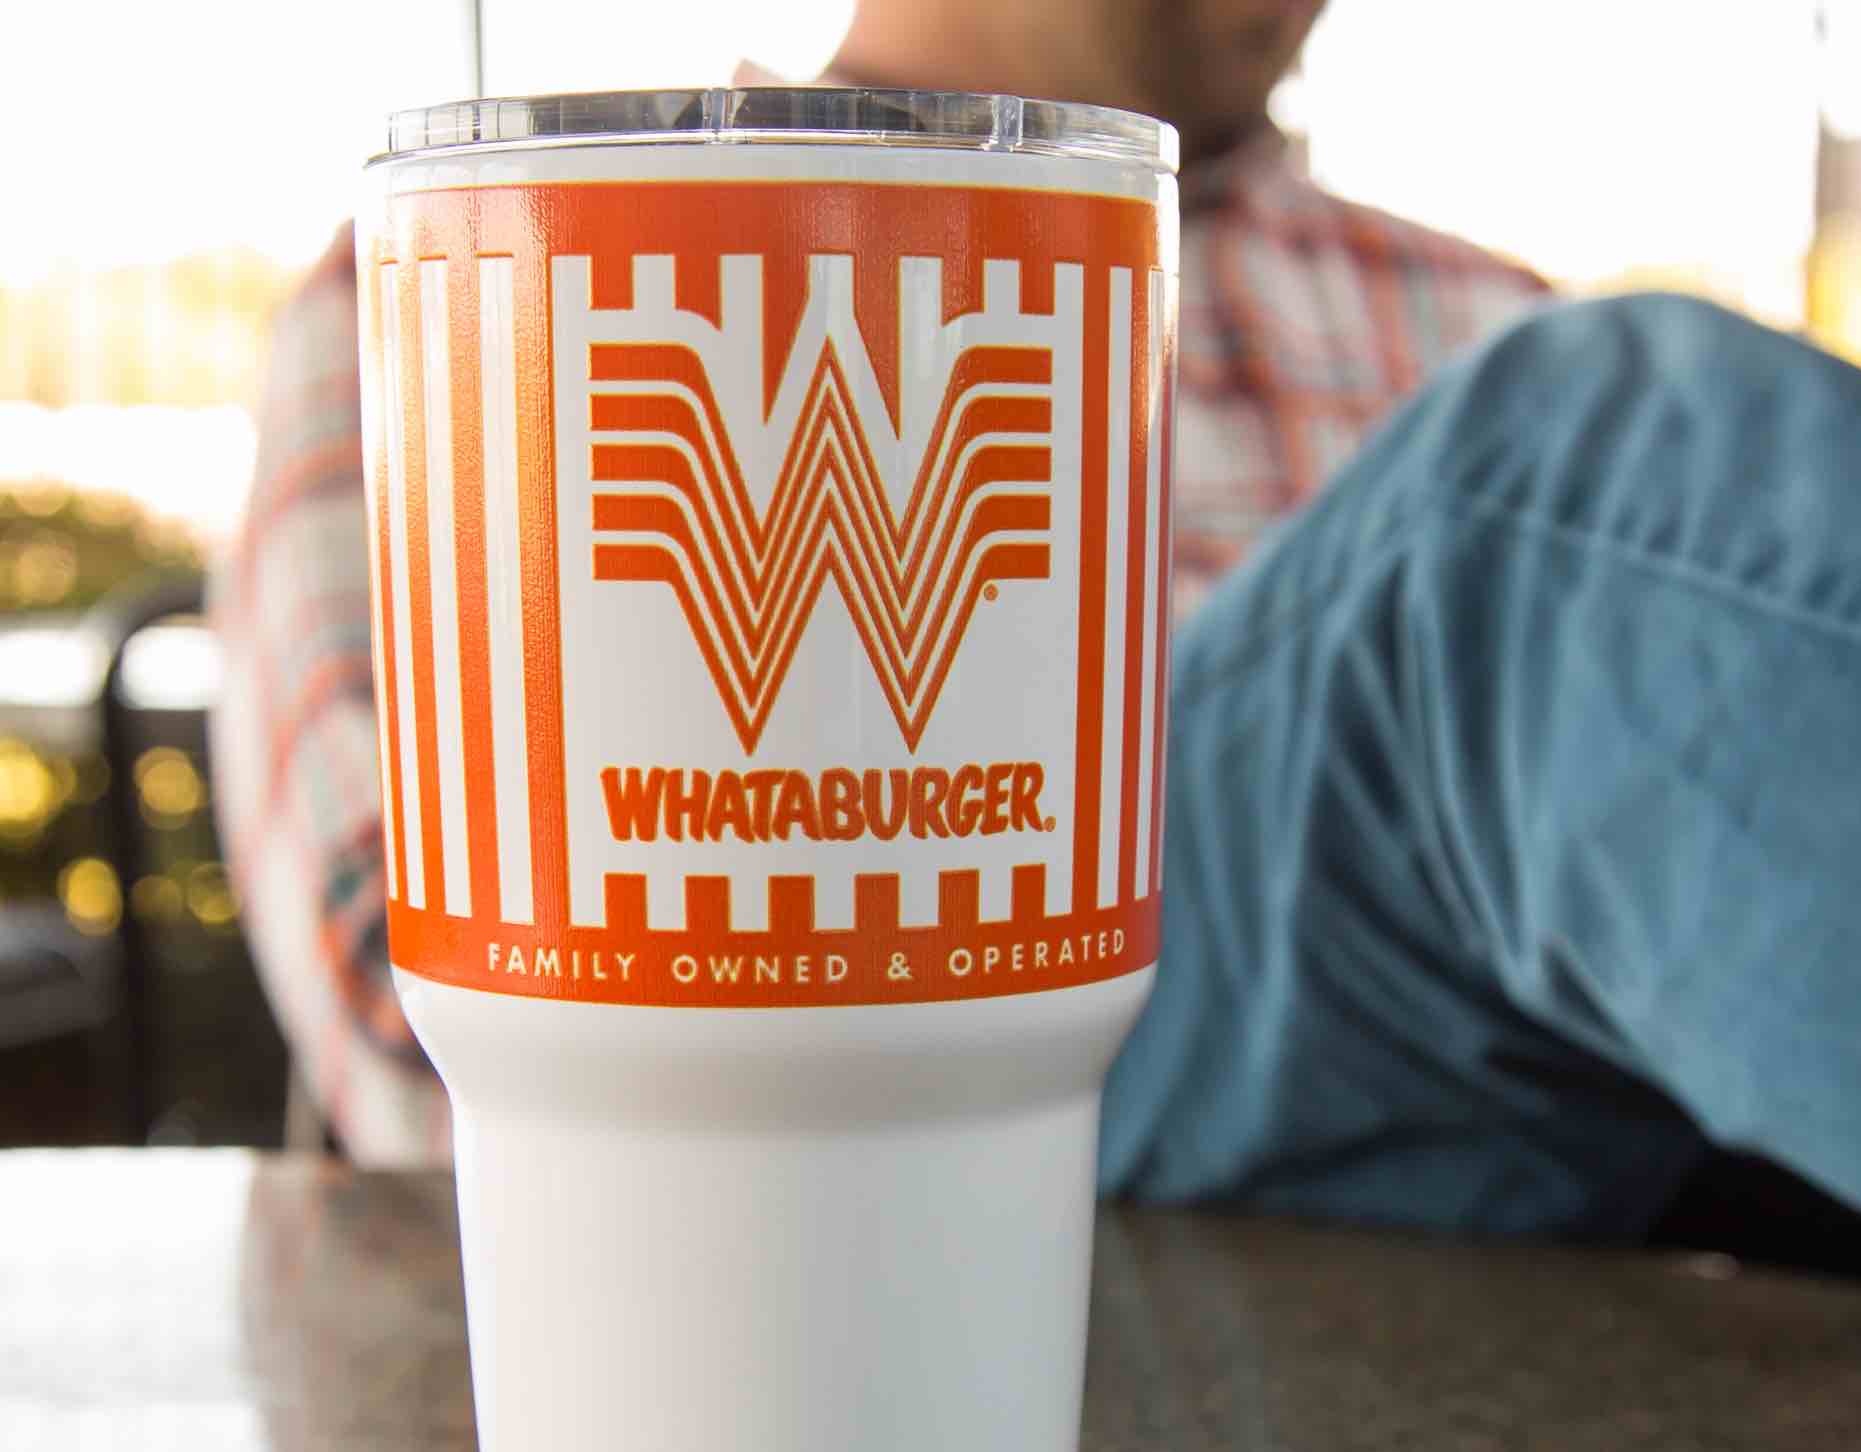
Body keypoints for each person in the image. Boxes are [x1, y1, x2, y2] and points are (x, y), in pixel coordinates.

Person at [211, 0, 1545, 1163]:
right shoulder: (486, 269)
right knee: (1615, 439)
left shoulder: (1490, 318)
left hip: (1484, 1171)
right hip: (994, 1172)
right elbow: (416, 1014)